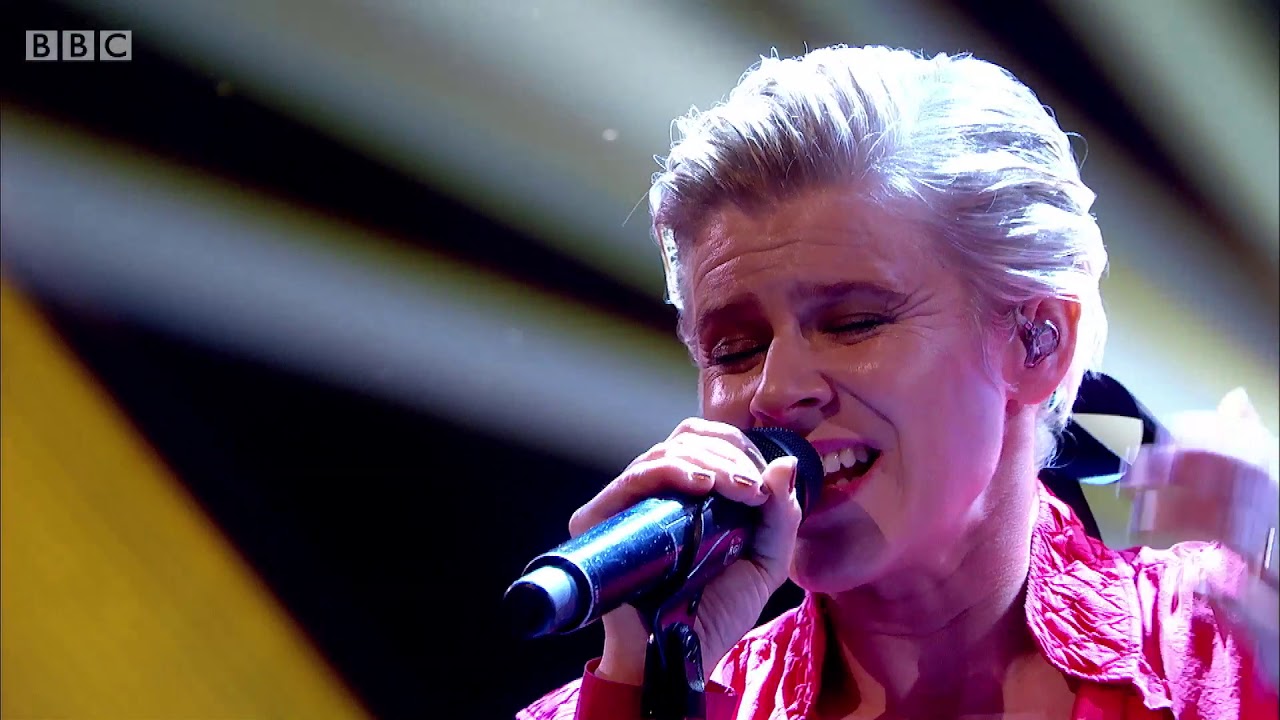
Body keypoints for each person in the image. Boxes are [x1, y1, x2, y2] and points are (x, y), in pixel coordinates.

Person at [517, 45, 1279, 719]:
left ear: (1037, 341)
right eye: (736, 349)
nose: (775, 392)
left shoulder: (1231, 656)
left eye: (853, 323)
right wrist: (651, 684)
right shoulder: (623, 704)